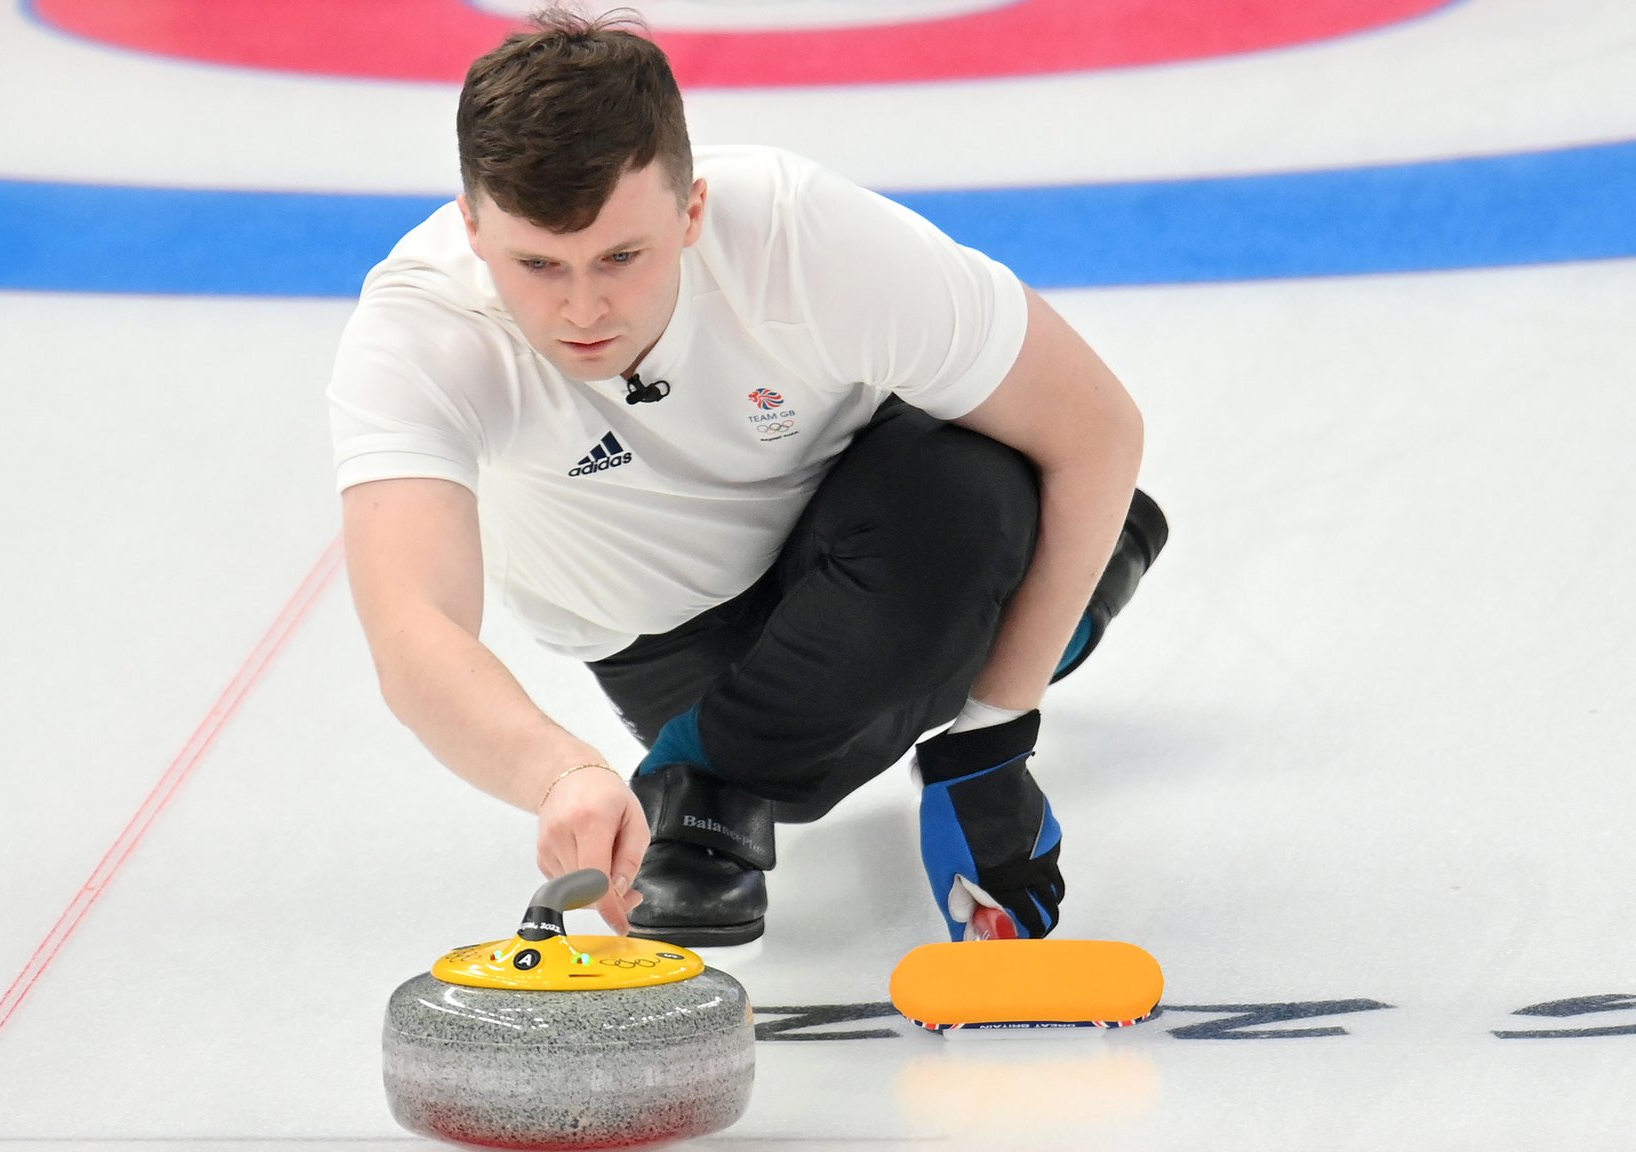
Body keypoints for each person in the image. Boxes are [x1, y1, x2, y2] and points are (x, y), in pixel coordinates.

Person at [329, 8, 1166, 948]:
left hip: (876, 517)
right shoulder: (421, 329)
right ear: (473, 228)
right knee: (999, 577)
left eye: (621, 256)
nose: (582, 308)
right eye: (537, 265)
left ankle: (727, 780)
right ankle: (1060, 590)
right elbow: (413, 628)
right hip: (679, 650)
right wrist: (561, 773)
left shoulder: (801, 235)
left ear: (693, 212)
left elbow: (1094, 432)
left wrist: (992, 738)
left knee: (980, 493)